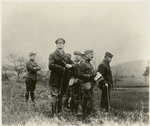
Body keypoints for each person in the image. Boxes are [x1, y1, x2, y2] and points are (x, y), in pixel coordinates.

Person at [48, 38, 74, 117]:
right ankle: (53, 114)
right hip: (55, 79)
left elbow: (73, 64)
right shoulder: (52, 55)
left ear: (64, 45)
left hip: (64, 80)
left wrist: (71, 65)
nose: (60, 44)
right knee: (54, 96)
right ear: (56, 45)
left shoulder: (67, 56)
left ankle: (59, 113)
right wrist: (62, 68)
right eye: (58, 43)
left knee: (61, 97)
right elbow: (50, 65)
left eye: (61, 43)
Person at [79, 50, 95, 121]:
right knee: (90, 100)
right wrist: (91, 75)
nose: (92, 55)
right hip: (86, 84)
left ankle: (84, 114)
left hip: (90, 84)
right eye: (91, 54)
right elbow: (80, 74)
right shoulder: (84, 64)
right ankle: (87, 114)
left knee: (86, 99)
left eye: (92, 54)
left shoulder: (89, 64)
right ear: (86, 55)